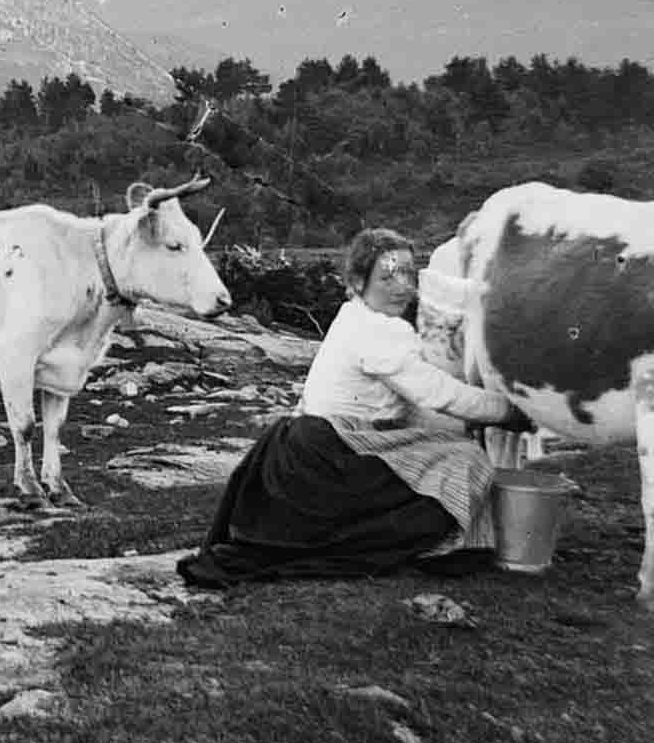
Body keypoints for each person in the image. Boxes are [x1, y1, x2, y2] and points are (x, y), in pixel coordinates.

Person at [178, 228, 532, 588]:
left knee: (446, 451)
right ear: (359, 281)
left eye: (407, 274)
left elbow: (417, 408)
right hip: (326, 458)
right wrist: (512, 412)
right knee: (466, 462)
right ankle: (431, 546)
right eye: (386, 276)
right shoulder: (377, 331)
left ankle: (433, 541)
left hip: (308, 449)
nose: (400, 286)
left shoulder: (354, 315)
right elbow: (439, 395)